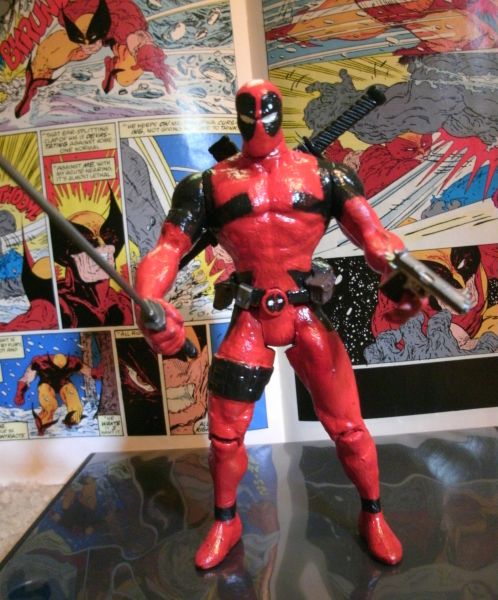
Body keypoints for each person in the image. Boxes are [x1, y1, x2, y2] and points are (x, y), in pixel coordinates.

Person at [135, 79, 422, 569]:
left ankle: (373, 515)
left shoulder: (326, 176)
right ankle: (226, 521)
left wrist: (402, 272)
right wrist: (149, 300)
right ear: (238, 115)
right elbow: (167, 249)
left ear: (277, 109)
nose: (258, 117)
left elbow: (373, 237)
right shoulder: (207, 184)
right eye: (248, 109)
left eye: (264, 107)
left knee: (349, 428)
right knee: (225, 435)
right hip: (250, 318)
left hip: (307, 313)